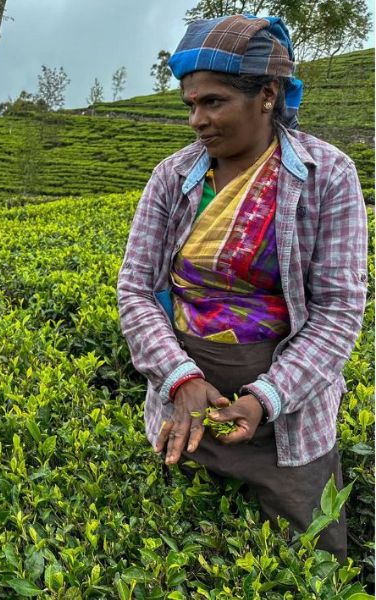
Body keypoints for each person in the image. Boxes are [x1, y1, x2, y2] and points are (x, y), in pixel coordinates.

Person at [117, 14, 367, 561]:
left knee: (311, 563)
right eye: (190, 105)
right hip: (185, 406)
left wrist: (264, 398)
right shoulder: (172, 178)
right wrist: (180, 379)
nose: (197, 120)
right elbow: (136, 289)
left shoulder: (328, 175)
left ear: (268, 95)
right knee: (188, 557)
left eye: (214, 101)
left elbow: (338, 311)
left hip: (289, 416)